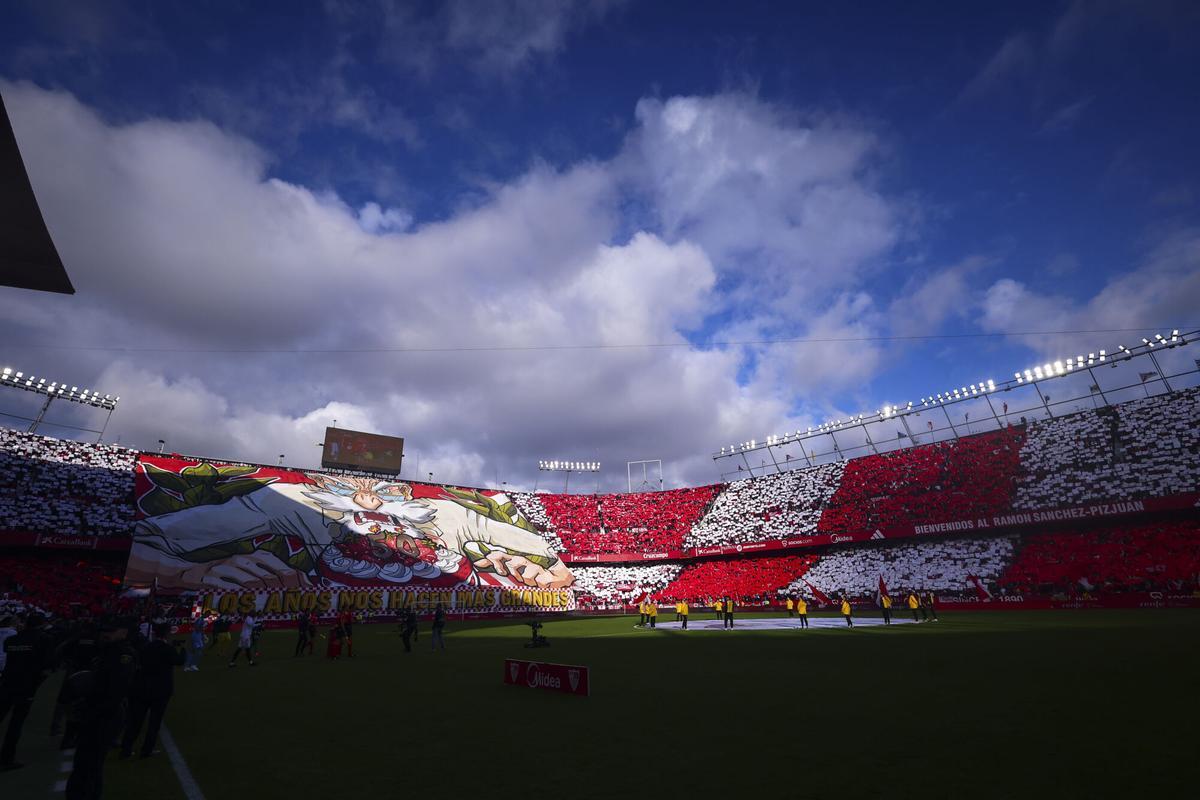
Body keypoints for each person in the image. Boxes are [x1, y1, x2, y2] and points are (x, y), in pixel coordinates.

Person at [65, 618, 137, 800]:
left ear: (123, 632)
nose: (106, 633)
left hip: (104, 715)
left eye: (111, 631)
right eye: (104, 630)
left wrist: (92, 709)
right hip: (95, 712)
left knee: (90, 765)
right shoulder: (104, 650)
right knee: (84, 764)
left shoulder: (123, 655)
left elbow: (115, 691)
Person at [120, 623, 185, 759]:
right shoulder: (167, 649)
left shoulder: (145, 647)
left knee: (135, 721)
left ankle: (126, 749)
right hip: (160, 690)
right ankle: (146, 750)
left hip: (141, 688)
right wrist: (182, 649)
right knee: (154, 723)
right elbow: (179, 661)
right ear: (166, 633)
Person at [0, 614, 52, 770]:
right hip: (27, 686)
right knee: (16, 724)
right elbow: (47, 664)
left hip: (8, 683)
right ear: (42, 624)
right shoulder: (44, 640)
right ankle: (6, 759)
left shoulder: (12, 640)